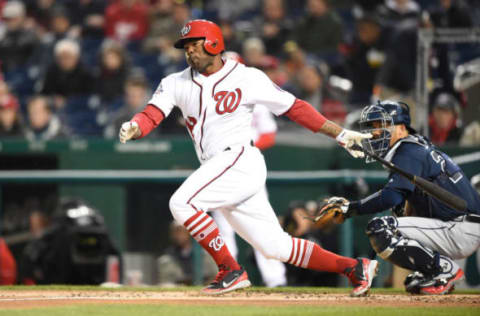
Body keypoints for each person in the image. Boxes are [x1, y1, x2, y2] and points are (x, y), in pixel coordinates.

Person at [118, 19, 376, 296]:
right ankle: (354, 267)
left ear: (214, 44)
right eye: (186, 47)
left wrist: (340, 134)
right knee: (275, 247)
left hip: (239, 159)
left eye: (195, 45)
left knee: (181, 203)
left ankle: (230, 270)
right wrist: (136, 126)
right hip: (219, 168)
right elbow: (152, 113)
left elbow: (295, 108)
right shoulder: (174, 82)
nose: (189, 51)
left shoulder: (246, 76)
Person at [325, 100, 480, 295]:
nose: (374, 133)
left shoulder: (408, 151)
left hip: (459, 227)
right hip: (458, 224)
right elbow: (400, 204)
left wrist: (351, 208)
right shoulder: (414, 147)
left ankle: (443, 270)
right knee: (395, 221)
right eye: (372, 127)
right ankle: (434, 272)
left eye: (380, 126)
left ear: (400, 128)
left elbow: (390, 197)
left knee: (380, 228)